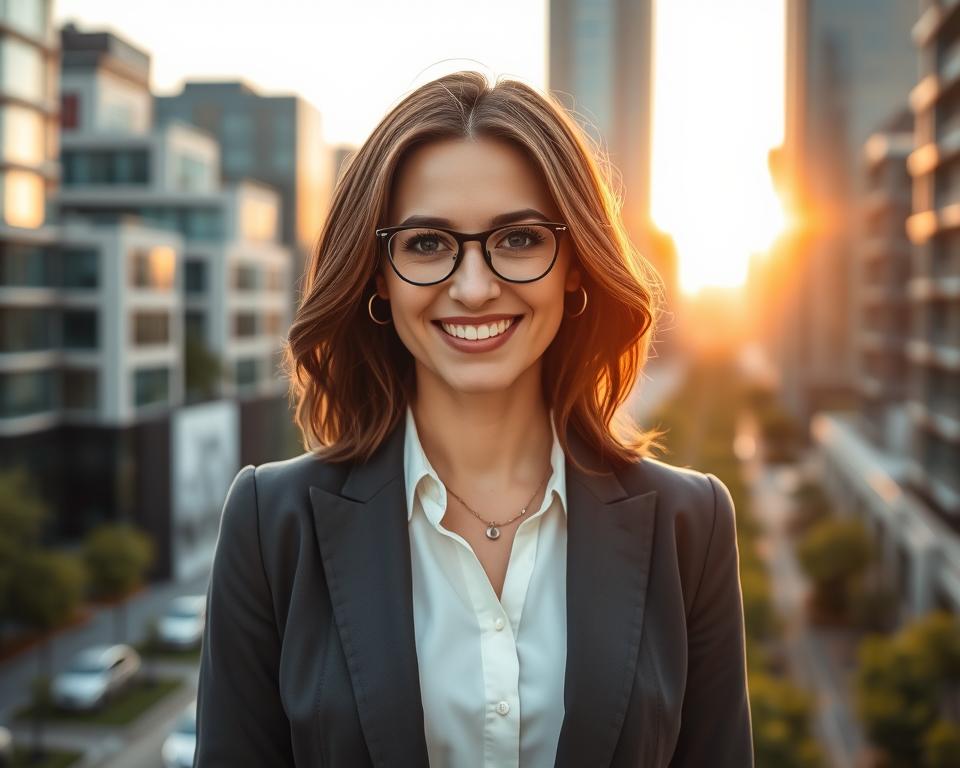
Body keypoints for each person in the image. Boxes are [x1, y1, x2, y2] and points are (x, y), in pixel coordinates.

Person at [193, 70, 754, 768]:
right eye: (427, 244)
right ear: (379, 275)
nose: (475, 287)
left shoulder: (688, 523)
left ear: (573, 263)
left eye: (518, 239)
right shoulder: (270, 524)